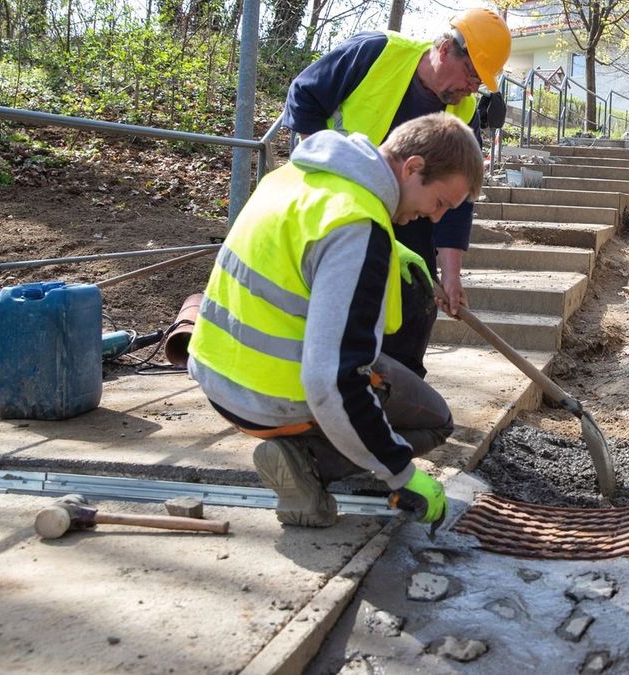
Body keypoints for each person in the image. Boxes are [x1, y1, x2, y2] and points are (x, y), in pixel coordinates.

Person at [188, 113, 485, 528]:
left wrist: (392, 253)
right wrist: (401, 474)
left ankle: (307, 447)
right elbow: (332, 380)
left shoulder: (294, 177)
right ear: (413, 167)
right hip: (271, 397)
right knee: (437, 420)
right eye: (439, 203)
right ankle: (307, 461)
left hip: (216, 377)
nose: (435, 219)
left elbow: (297, 251)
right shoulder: (357, 228)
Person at [282, 8, 511, 380]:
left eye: (480, 82)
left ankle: (398, 386)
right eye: (472, 74)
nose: (473, 88)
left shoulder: (464, 110)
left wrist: (450, 276)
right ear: (444, 49)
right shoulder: (376, 53)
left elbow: (455, 200)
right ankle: (331, 382)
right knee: (341, 292)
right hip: (339, 198)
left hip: (411, 209)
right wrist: (325, 162)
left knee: (418, 295)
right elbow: (304, 95)